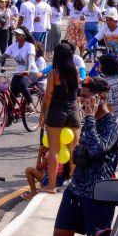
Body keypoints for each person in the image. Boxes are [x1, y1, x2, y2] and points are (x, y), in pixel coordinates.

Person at [52, 76, 118, 236]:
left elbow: (97, 149)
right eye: (80, 96)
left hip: (99, 191)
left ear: (100, 97)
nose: (82, 100)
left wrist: (89, 118)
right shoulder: (86, 119)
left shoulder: (113, 122)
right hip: (76, 187)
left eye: (85, 96)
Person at [39, 42, 82, 194]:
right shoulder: (75, 70)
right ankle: (75, 184)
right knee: (74, 151)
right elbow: (75, 92)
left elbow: (48, 95)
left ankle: (51, 186)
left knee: (54, 150)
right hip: (73, 111)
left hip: (57, 111)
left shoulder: (54, 73)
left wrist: (42, 114)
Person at [0, 27, 39, 111]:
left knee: (22, 85)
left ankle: (30, 103)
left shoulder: (29, 46)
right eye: (15, 35)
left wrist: (27, 70)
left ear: (24, 36)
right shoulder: (13, 46)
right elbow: (3, 57)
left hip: (32, 72)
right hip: (19, 72)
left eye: (18, 35)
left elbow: (30, 59)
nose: (16, 36)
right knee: (12, 93)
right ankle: (9, 117)